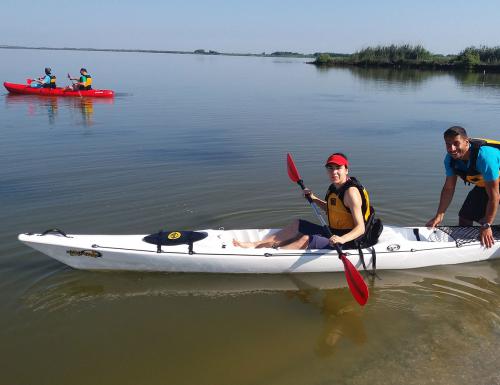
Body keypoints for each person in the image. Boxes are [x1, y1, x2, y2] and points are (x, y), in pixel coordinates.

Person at [233, 153, 382, 251]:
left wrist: (341, 239)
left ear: (346, 170)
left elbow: (360, 228)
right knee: (298, 224)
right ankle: (256, 245)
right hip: (335, 232)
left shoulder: (351, 192)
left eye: (338, 168)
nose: (334, 172)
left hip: (351, 240)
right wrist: (314, 199)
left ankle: (272, 255)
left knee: (304, 239)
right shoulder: (334, 187)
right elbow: (334, 210)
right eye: (330, 168)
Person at [426, 126, 500, 248]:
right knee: (465, 217)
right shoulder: (450, 160)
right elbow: (449, 188)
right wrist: (439, 215)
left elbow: (494, 197)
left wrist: (487, 225)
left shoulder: (485, 157)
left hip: (494, 184)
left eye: (456, 143)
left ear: (466, 142)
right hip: (487, 183)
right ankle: (469, 248)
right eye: (448, 144)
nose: (452, 149)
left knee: (487, 220)